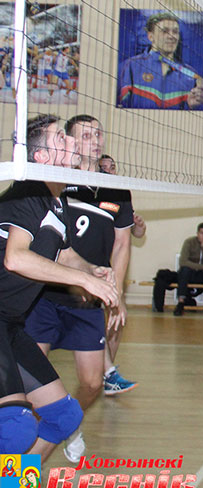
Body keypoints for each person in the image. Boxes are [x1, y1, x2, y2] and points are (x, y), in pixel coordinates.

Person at [0, 114, 119, 459]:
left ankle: (15, 485)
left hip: (10, 324)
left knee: (64, 416)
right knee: (15, 428)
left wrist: (92, 270)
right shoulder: (28, 192)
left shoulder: (55, 200)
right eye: (61, 138)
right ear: (41, 157)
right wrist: (82, 280)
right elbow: (16, 259)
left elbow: (65, 254)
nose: (72, 141)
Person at [24, 115, 135, 462]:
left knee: (91, 384)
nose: (95, 140)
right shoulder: (52, 183)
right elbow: (25, 252)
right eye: (84, 135)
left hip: (87, 301)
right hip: (42, 297)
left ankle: (66, 424)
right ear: (68, 143)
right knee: (27, 393)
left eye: (98, 133)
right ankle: (24, 467)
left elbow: (121, 244)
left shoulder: (115, 188)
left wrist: (113, 292)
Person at [118, 12, 203, 109]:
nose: (171, 36)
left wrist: (191, 106)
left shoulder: (191, 74)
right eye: (164, 31)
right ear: (150, 36)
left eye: (175, 32)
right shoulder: (132, 66)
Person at [174, 223, 203, 317]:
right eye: (202, 233)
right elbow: (183, 261)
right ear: (197, 233)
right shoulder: (189, 242)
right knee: (184, 270)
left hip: (201, 275)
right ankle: (181, 303)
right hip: (190, 273)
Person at [97, 155, 147, 239]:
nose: (109, 171)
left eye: (112, 168)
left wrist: (140, 226)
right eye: (104, 168)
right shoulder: (87, 191)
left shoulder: (121, 193)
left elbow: (137, 233)